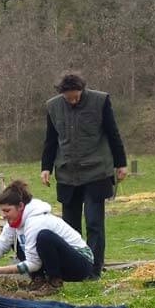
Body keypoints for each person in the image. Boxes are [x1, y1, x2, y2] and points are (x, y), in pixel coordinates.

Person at [41, 72, 127, 277]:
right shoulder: (53, 106)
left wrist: (120, 163)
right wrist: (46, 167)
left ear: (82, 90)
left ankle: (94, 270)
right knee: (69, 226)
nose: (72, 100)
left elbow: (113, 132)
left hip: (96, 171)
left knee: (94, 223)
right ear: (61, 93)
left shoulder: (100, 101)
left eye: (75, 96)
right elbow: (50, 139)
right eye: (68, 97)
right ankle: (75, 268)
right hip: (67, 174)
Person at [0, 180, 94, 290]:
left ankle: (54, 282)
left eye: (7, 211)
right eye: (2, 211)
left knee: (44, 237)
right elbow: (1, 245)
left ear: (21, 206)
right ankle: (39, 280)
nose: (3, 215)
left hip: (81, 264)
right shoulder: (15, 221)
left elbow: (34, 263)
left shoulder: (36, 221)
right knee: (16, 239)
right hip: (64, 261)